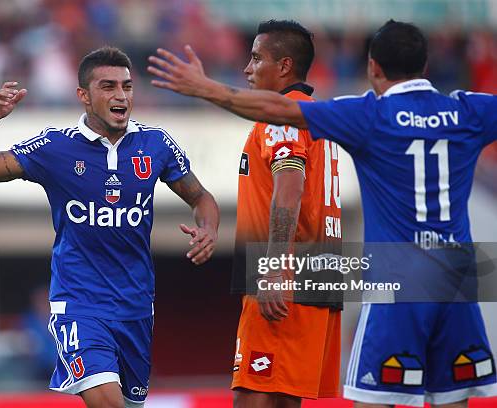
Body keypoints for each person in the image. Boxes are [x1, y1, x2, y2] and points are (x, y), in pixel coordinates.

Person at [147, 20, 497, 408]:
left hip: (376, 278)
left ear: (373, 68)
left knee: (335, 398)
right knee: (452, 399)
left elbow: (283, 153)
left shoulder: (363, 115)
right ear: (425, 66)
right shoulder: (469, 109)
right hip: (450, 280)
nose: (248, 67)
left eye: (256, 58)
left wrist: (205, 88)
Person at [0, 46, 219, 408]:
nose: (120, 96)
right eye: (108, 86)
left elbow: (202, 198)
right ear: (83, 95)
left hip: (137, 305)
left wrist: (209, 229)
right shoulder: (55, 146)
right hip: (79, 303)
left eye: (126, 86)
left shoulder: (154, 144)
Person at [227, 20, 341, 408]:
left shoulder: (281, 115)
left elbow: (288, 189)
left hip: (282, 280)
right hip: (320, 275)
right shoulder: (318, 117)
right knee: (282, 400)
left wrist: (273, 269)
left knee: (253, 399)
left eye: (257, 58)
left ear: (285, 67)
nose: (247, 68)